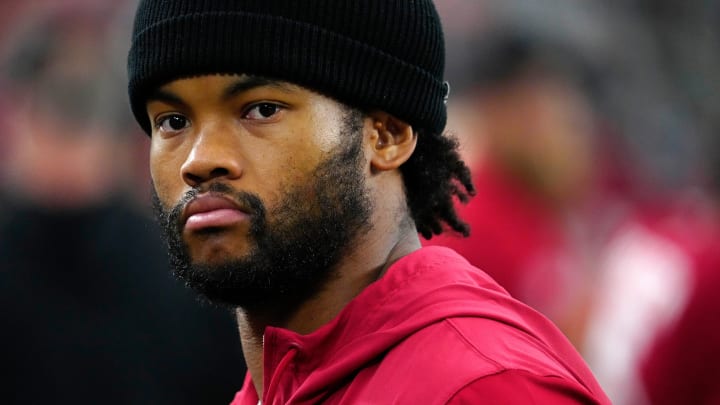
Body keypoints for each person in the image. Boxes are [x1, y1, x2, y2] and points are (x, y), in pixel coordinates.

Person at [126, 1, 611, 403]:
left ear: (387, 135)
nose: (199, 160)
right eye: (171, 121)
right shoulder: (272, 390)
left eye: (261, 109)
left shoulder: (484, 386)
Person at [0, 4, 246, 404]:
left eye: (86, 101)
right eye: (58, 101)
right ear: (16, 115)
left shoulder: (189, 274)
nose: (69, 128)